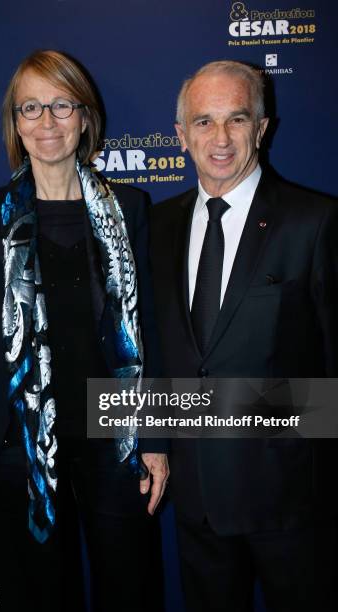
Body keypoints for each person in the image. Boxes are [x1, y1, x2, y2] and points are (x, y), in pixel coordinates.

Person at [0, 49, 168, 612]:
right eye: (31, 108)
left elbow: (153, 332)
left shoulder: (133, 208)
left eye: (61, 105)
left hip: (116, 436)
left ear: (85, 116)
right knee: (36, 593)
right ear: (15, 124)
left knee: (130, 587)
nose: (47, 122)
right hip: (20, 440)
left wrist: (160, 441)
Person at [150, 60, 338, 612]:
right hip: (197, 503)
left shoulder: (316, 222)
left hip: (291, 507)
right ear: (181, 137)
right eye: (203, 122)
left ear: (261, 127)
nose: (221, 138)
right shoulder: (156, 227)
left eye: (237, 119)